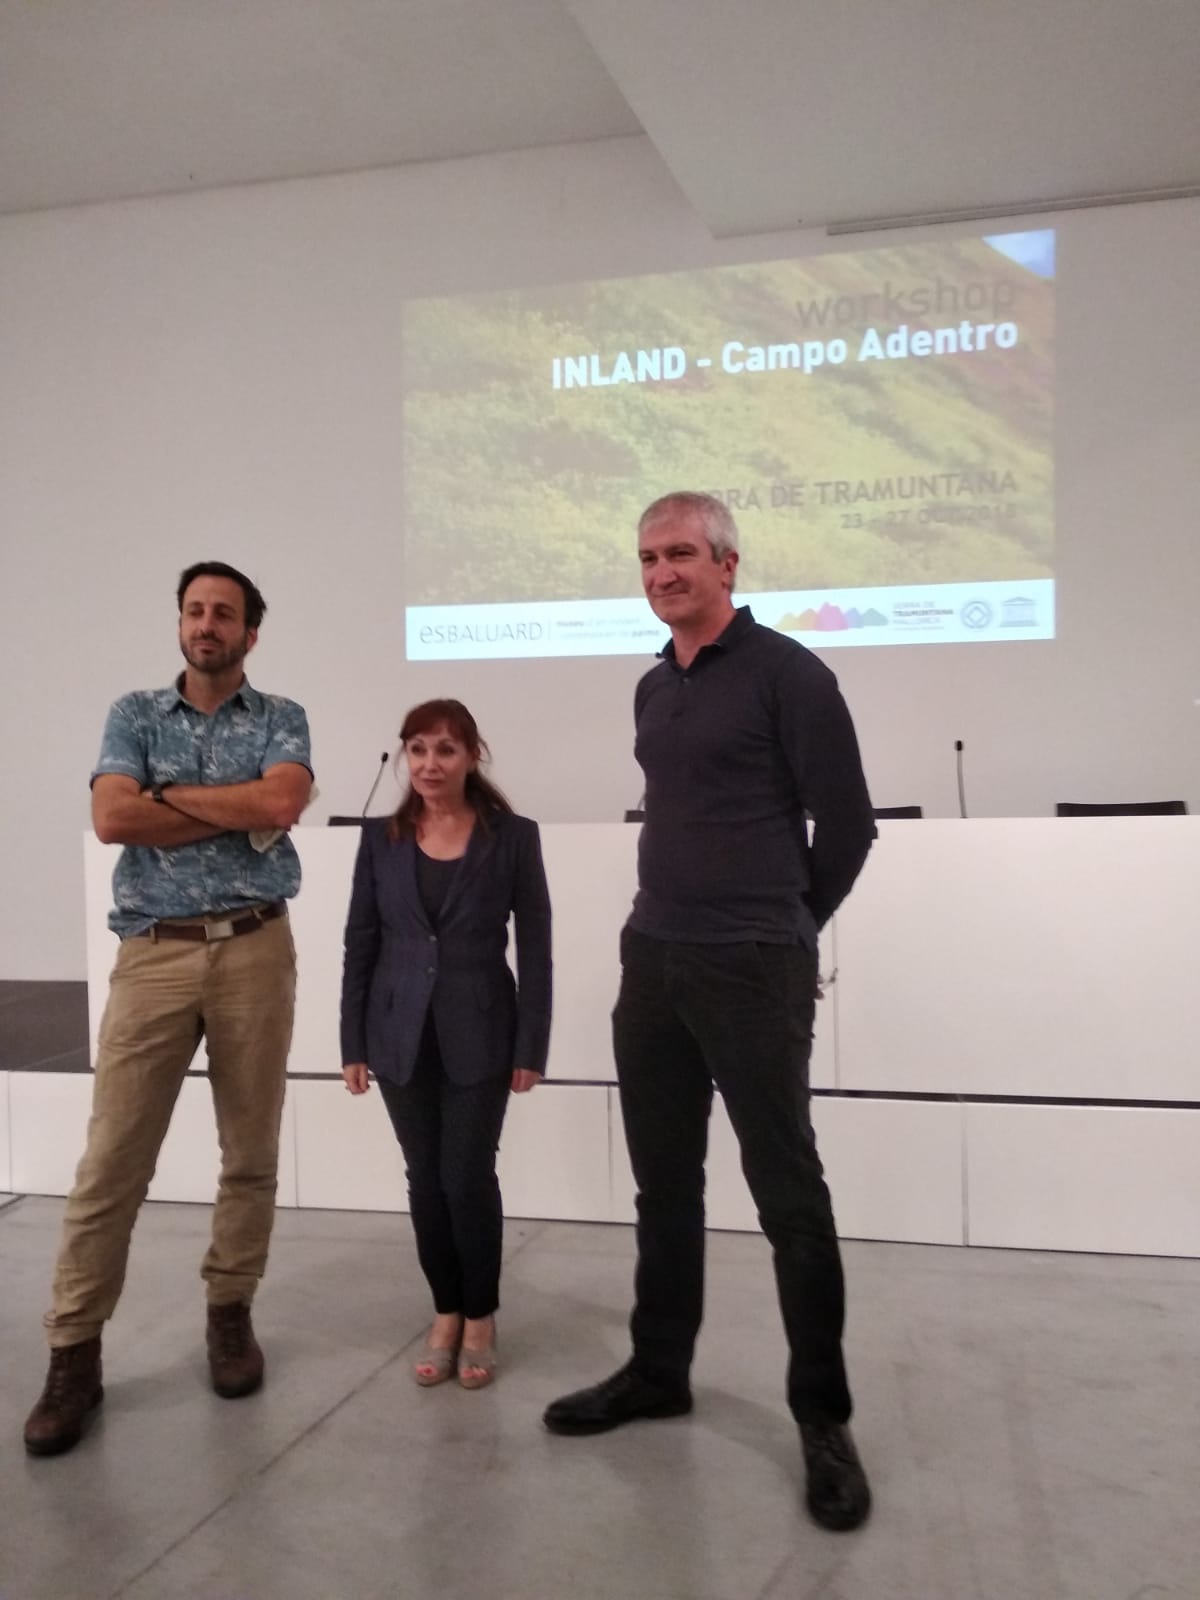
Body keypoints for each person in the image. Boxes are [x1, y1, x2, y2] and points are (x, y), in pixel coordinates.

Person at [543, 492, 877, 1532]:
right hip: (657, 960)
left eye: (681, 553)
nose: (661, 572)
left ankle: (822, 1418)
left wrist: (787, 924)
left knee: (789, 1196)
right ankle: (658, 1368)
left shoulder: (792, 674)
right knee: (662, 1186)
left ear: (728, 564)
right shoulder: (654, 686)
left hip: (753, 962)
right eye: (647, 556)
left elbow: (851, 823)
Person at [23, 561, 313, 1458]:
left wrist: (165, 799)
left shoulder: (282, 718)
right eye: (195, 610)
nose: (207, 624)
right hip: (153, 955)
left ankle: (230, 1313)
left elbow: (282, 799)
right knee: (111, 1162)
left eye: (224, 613)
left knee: (251, 1152)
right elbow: (113, 820)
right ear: (181, 623)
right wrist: (222, 811)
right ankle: (74, 1352)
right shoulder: (133, 713)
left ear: (250, 633)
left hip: (256, 949)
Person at [340, 699, 551, 1389]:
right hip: (398, 1033)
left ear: (472, 757)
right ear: (405, 756)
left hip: (483, 1032)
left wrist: (532, 1046)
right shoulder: (381, 839)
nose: (431, 764)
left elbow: (538, 949)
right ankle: (446, 1310)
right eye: (419, 749)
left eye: (447, 750)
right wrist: (352, 1040)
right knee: (424, 1179)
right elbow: (361, 944)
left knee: (466, 1175)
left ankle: (482, 1314)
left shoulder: (512, 836)